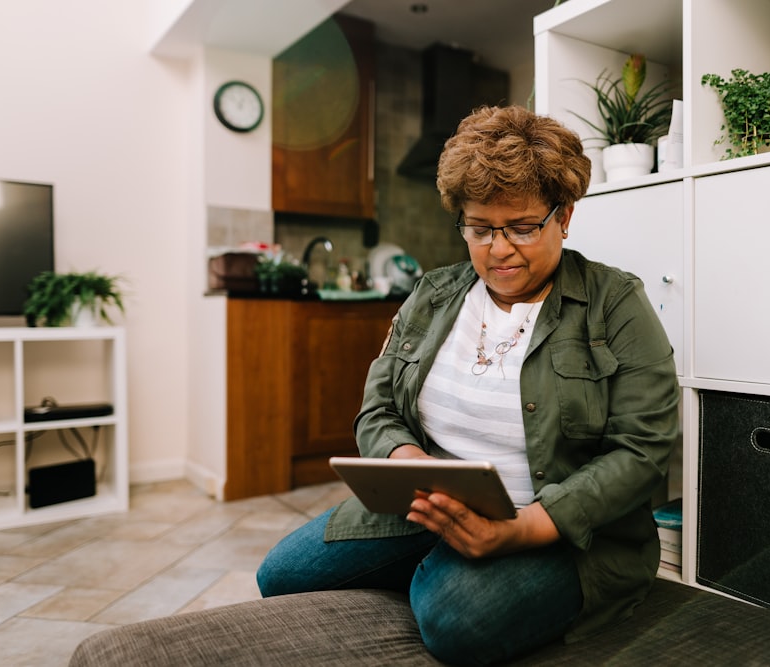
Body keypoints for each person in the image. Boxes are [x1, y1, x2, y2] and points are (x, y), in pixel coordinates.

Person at [256, 105, 680, 666]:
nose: (498, 249)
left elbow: (643, 450)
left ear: (565, 217)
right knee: (281, 573)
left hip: (559, 529)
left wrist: (525, 529)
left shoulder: (615, 304)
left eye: (522, 228)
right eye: (480, 229)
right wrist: (407, 463)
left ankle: (455, 572)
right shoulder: (433, 295)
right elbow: (378, 409)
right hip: (427, 505)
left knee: (455, 621)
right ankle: (443, 556)